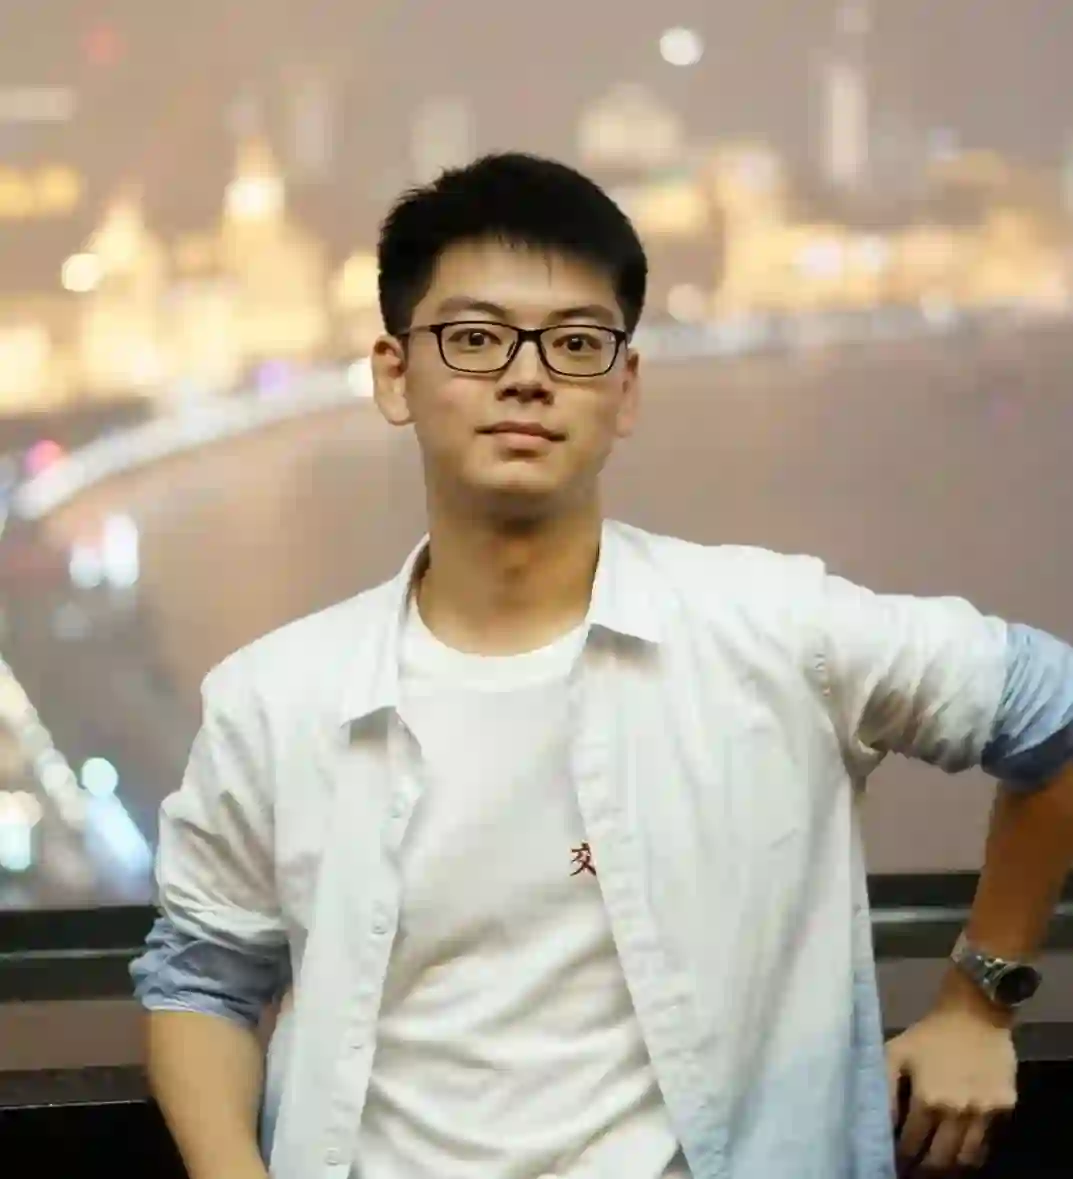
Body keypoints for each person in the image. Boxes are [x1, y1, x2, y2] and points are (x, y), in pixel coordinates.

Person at [131, 152, 1073, 1179]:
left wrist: (981, 997)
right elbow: (202, 983)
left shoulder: (774, 630)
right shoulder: (276, 699)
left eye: (576, 343)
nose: (526, 375)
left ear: (623, 390)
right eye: (475, 338)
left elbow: (1052, 714)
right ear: (393, 375)